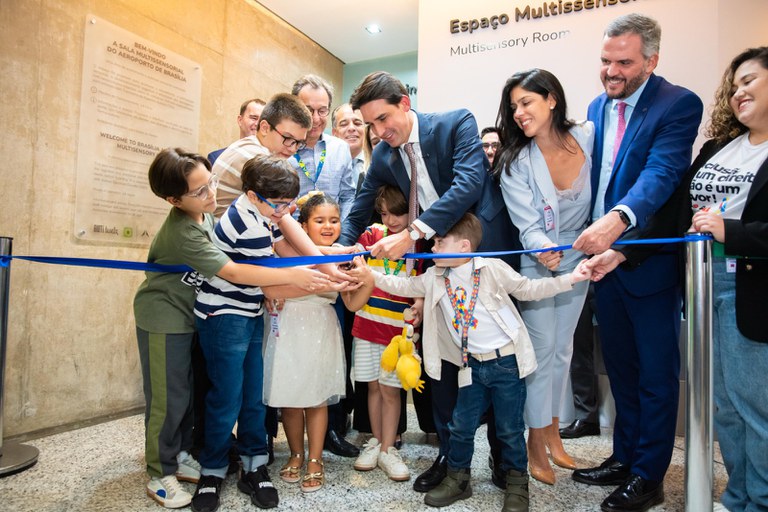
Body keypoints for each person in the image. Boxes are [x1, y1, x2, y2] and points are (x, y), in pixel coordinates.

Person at [339, 71, 519, 492]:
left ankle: (504, 459)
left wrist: (413, 232)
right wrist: (341, 249)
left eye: (384, 119)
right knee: (441, 366)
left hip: (482, 254)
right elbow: (362, 204)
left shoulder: (456, 123)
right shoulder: (384, 154)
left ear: (404, 102)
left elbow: (469, 184)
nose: (380, 133)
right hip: (436, 270)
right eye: (372, 126)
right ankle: (449, 457)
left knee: (497, 362)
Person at [347, 213, 593, 512]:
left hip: (506, 365)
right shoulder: (435, 277)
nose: (433, 249)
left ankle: (517, 484)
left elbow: (529, 289)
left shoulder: (491, 268)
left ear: (464, 246)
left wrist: (572, 278)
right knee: (460, 427)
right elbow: (402, 286)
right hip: (470, 367)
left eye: (439, 243)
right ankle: (458, 478)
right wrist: (370, 276)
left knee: (509, 430)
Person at [134, 149, 329, 509]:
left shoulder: (208, 214)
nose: (210, 195)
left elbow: (264, 259)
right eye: (200, 191)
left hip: (224, 310)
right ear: (173, 199)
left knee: (242, 393)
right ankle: (177, 470)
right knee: (177, 397)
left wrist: (317, 268)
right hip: (177, 314)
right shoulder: (195, 227)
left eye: (210, 184)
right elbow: (240, 273)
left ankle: (248, 461)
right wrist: (311, 280)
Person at [570, 13, 703, 512]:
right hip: (605, 265)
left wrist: (618, 221)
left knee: (654, 374)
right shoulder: (596, 107)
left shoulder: (677, 103)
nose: (611, 72)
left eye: (623, 62)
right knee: (621, 369)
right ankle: (623, 457)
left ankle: (648, 474)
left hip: (646, 260)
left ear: (652, 60)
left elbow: (662, 175)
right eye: (605, 61)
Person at [190, 155, 334, 512]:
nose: (284, 211)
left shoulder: (263, 212)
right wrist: (317, 281)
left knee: (254, 395)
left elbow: (283, 255)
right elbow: (269, 284)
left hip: (249, 311)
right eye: (279, 204)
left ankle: (255, 463)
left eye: (289, 204)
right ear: (253, 195)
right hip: (224, 314)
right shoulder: (247, 224)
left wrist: (329, 262)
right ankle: (213, 469)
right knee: (227, 397)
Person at [495, 68, 593, 485]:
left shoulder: (588, 136)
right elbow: (527, 223)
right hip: (541, 260)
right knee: (541, 348)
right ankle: (534, 439)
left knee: (564, 348)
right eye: (513, 106)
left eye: (526, 102)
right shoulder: (516, 160)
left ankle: (553, 431)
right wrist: (543, 250)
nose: (518, 113)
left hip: (583, 255)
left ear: (551, 99)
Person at [262, 192, 358, 494]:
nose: (328, 226)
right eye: (319, 220)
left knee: (317, 398)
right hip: (287, 327)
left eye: (334, 220)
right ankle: (295, 453)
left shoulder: (343, 255)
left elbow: (349, 294)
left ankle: (315, 458)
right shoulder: (287, 250)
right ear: (302, 225)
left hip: (321, 327)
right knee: (289, 397)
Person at [349, 185, 423, 482]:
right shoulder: (371, 236)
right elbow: (354, 259)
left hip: (397, 333)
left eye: (397, 213)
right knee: (373, 388)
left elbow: (420, 285)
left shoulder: (417, 245)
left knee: (392, 391)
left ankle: (389, 448)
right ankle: (376, 442)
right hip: (367, 325)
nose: (390, 220)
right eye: (384, 213)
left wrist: (418, 304)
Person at [290, 74, 356, 222]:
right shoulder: (283, 150)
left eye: (322, 111)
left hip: (332, 237)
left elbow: (348, 196)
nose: (315, 118)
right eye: (308, 110)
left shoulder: (341, 148)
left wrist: (341, 232)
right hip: (290, 238)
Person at [208, 98, 266, 165]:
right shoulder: (217, 158)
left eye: (262, 120)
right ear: (240, 120)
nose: (258, 124)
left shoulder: (271, 162)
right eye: (254, 118)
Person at [332, 103, 367, 191]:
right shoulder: (326, 165)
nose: (351, 128)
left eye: (357, 123)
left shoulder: (377, 163)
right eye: (344, 124)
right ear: (334, 133)